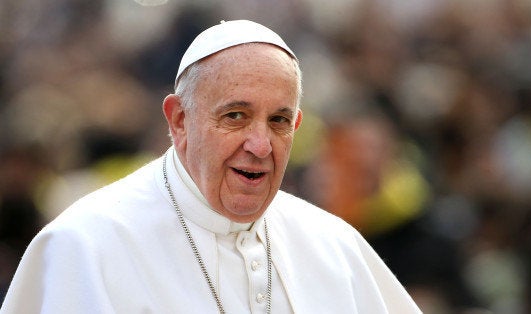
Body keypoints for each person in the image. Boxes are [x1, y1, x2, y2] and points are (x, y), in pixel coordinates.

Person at [0, 20, 421, 313]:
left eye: (278, 121)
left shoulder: (334, 246)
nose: (259, 145)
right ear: (179, 120)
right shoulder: (86, 246)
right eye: (235, 116)